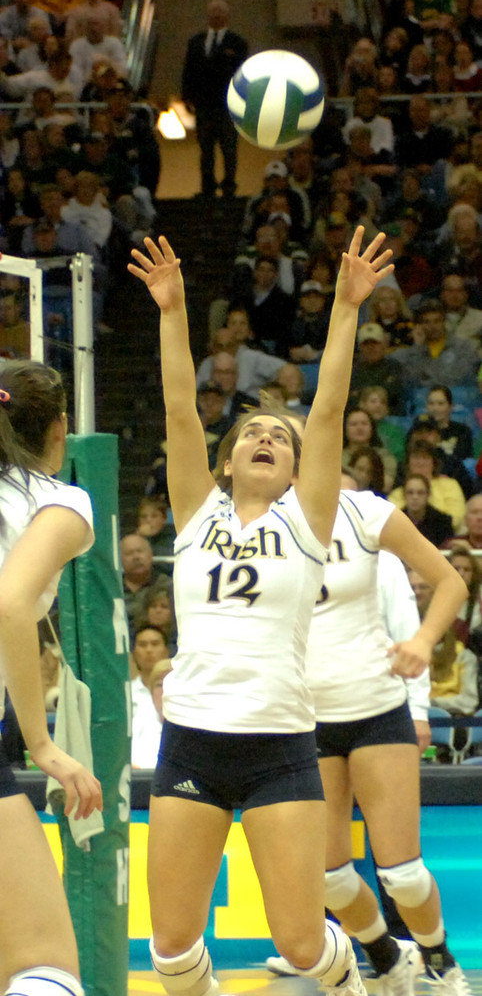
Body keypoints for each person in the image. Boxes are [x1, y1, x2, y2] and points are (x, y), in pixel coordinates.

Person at [127, 226, 395, 996]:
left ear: (297, 465)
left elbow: (330, 405)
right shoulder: (194, 513)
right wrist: (172, 312)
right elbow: (180, 409)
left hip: (278, 743)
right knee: (171, 950)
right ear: (228, 459)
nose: (269, 438)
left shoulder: (307, 521)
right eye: (254, 432)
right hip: (193, 742)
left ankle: (361, 980)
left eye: (281, 435)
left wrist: (346, 307)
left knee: (302, 942)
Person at [265, 469, 471, 994]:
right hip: (305, 720)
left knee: (402, 874)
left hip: (376, 708)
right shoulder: (261, 525)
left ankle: (439, 957)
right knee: (329, 879)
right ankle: (387, 956)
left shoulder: (364, 512)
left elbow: (448, 583)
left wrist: (422, 644)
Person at [0, 359, 103, 996]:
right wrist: (41, 744)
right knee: (46, 971)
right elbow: (12, 604)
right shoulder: (60, 501)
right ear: (61, 429)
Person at [181, 0, 247, 199]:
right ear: (207, 15)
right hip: (204, 104)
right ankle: (207, 186)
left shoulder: (237, 43)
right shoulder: (196, 42)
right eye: (213, 11)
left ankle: (229, 186)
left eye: (220, 11)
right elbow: (188, 71)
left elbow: (243, 73)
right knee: (205, 148)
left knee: (229, 148)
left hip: (228, 105)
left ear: (227, 16)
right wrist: (187, 96)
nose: (217, 15)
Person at [131, 624, 171, 769]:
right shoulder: (125, 695)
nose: (149, 650)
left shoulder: (181, 695)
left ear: (166, 650)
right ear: (134, 652)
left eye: (155, 644)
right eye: (142, 645)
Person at [402, 472, 454, 546]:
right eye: (410, 493)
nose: (415, 497)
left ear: (428, 495)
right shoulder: (394, 521)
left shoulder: (442, 523)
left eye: (420, 493)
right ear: (404, 495)